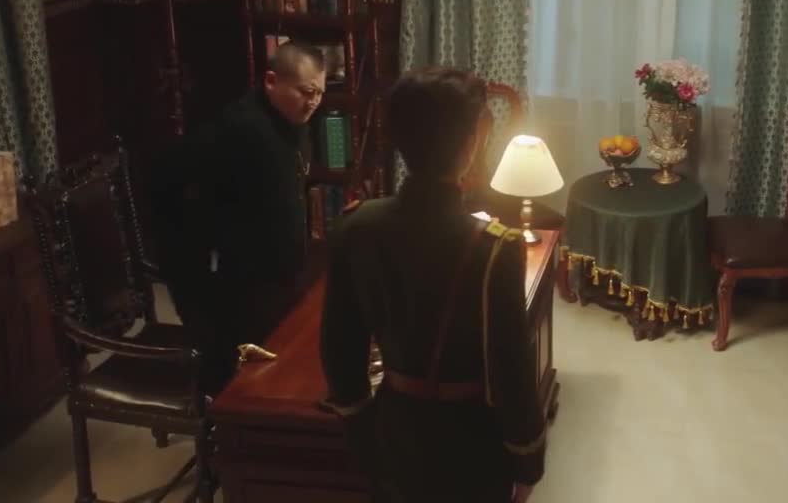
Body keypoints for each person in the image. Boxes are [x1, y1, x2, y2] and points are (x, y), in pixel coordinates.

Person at [321, 67, 546, 503]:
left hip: (392, 431)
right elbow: (511, 374)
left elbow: (339, 349)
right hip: (471, 442)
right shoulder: (494, 249)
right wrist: (527, 458)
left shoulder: (356, 225)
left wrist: (362, 430)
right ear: (471, 143)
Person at [148, 41, 326, 393]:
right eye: (306, 92)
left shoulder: (293, 121)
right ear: (271, 81)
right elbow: (167, 182)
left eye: (319, 93)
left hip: (280, 272)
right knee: (253, 376)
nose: (313, 102)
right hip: (241, 282)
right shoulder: (238, 129)